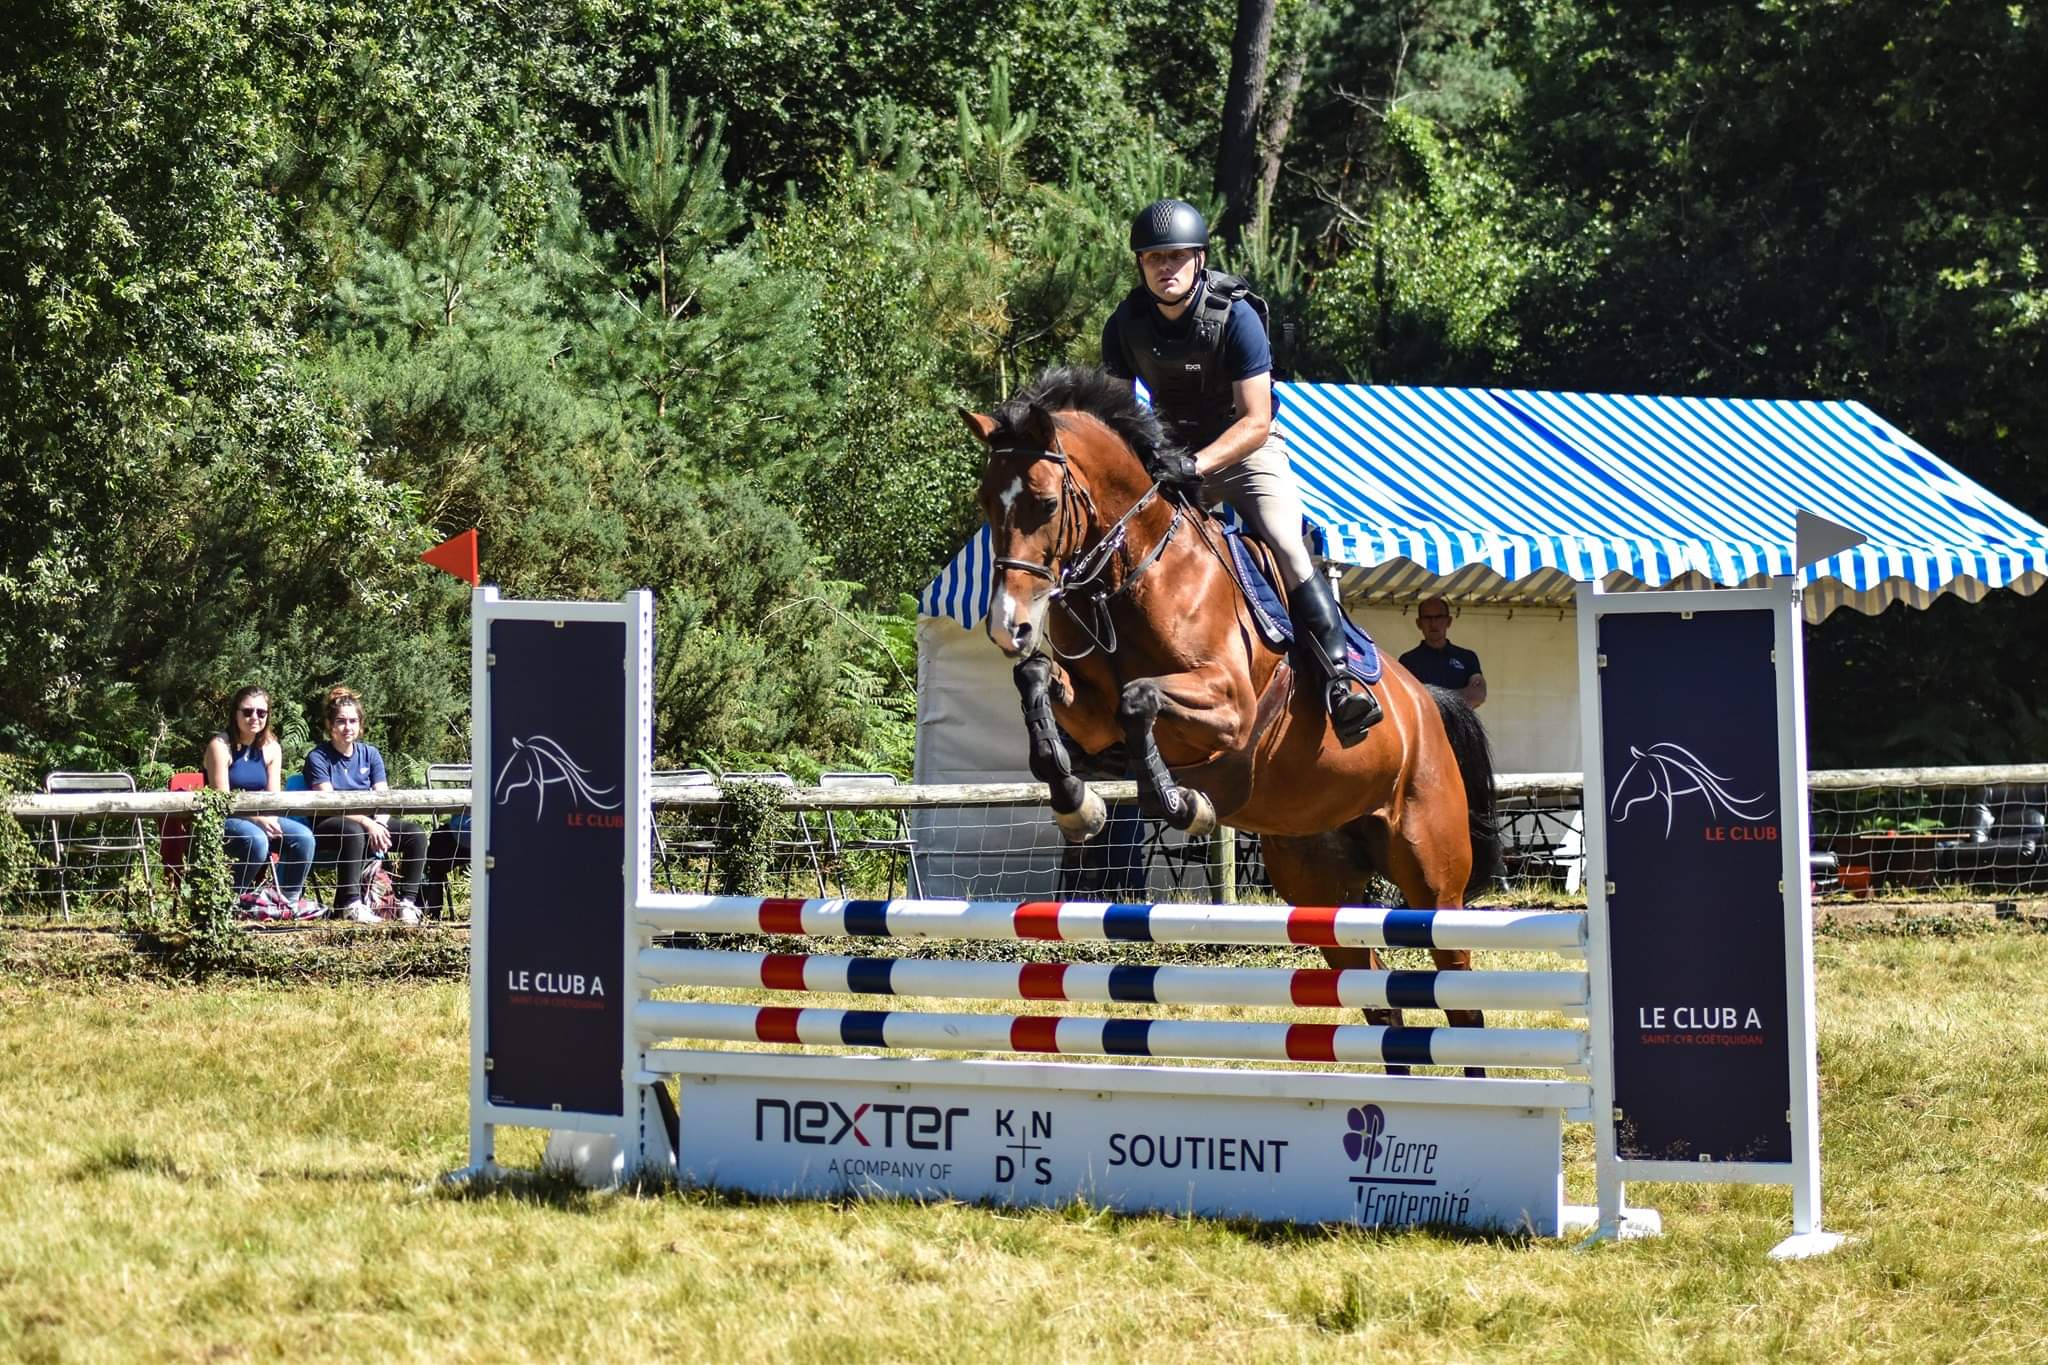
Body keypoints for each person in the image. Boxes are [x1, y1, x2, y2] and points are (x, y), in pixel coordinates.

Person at [1101, 198, 1380, 742]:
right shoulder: (1125, 325)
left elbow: (1254, 420)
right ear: (1140, 264)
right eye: (1154, 257)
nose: (1165, 267)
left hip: (1247, 451)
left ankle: (1340, 682)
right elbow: (1116, 416)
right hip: (1175, 455)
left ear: (1199, 259)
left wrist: (1195, 464)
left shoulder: (1236, 316)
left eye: (1177, 256)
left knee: (1285, 541)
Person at [304, 685, 428, 924]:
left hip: (371, 821)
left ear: (361, 725)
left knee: (416, 834)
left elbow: (383, 797)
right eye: (341, 721)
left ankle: (408, 904)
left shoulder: (370, 754)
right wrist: (368, 824)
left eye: (353, 721)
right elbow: (329, 803)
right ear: (330, 724)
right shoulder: (318, 757)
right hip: (329, 823)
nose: (347, 727)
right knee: (355, 831)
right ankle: (351, 904)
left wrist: (379, 824)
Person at [203, 686, 318, 915]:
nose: (254, 718)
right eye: (247, 712)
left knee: (303, 837)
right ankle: (230, 902)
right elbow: (223, 801)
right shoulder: (220, 746)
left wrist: (269, 819)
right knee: (256, 840)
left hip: (261, 815)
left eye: (261, 713)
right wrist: (258, 820)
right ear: (235, 713)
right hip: (227, 818)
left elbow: (272, 798)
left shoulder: (271, 748)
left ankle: (288, 902)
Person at [1398, 597, 1487, 708]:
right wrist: (1462, 694)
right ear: (1419, 623)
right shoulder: (1407, 661)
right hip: (1426, 725)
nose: (1433, 623)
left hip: (1459, 725)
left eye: (1439, 617)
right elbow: (1407, 699)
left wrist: (1429, 695)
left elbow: (1477, 695)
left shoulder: (1467, 657)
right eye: (1427, 618)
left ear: (1449, 621)